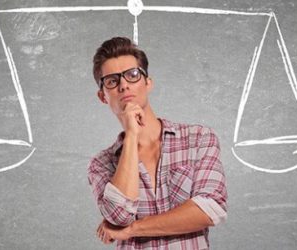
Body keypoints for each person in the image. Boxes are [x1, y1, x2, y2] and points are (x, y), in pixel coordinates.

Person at [87, 37, 227, 249]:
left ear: (147, 82)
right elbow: (119, 215)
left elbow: (210, 209)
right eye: (112, 81)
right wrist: (132, 136)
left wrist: (133, 229)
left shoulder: (199, 139)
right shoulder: (101, 164)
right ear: (103, 96)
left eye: (132, 75)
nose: (124, 85)